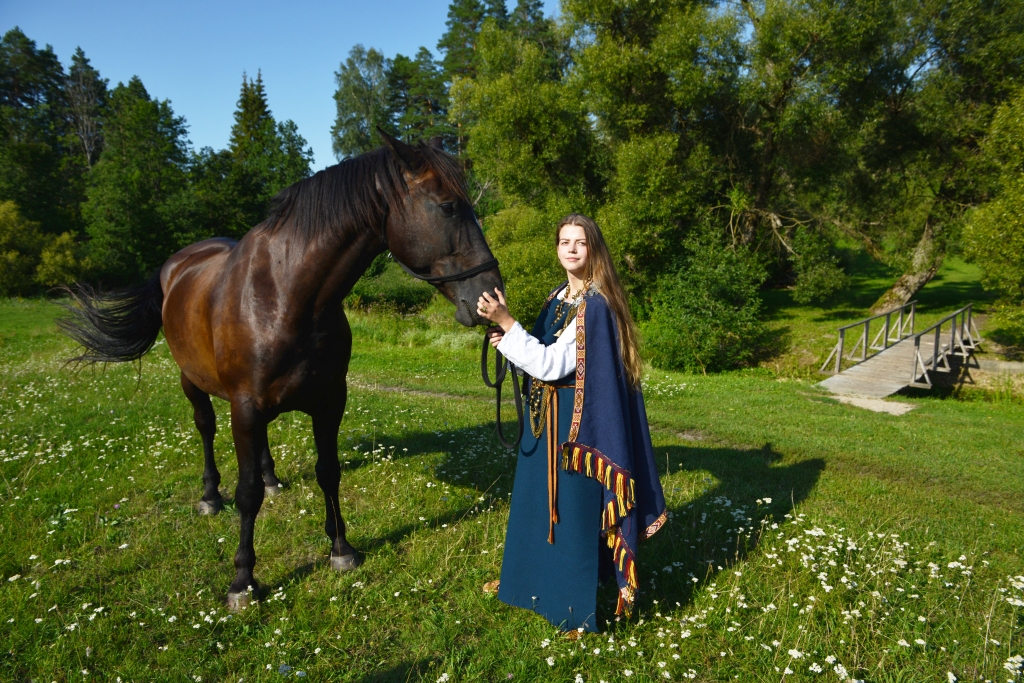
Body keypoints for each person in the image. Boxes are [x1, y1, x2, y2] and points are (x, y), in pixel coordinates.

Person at [476, 213, 666, 632]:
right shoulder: (559, 296)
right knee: (533, 506)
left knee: (569, 514)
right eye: (565, 241)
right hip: (545, 421)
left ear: (593, 248)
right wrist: (508, 340)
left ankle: (571, 608)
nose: (572, 248)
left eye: (580, 242)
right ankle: (520, 584)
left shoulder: (595, 306)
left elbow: (551, 364)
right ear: (557, 248)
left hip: (575, 431)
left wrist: (509, 324)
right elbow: (542, 351)